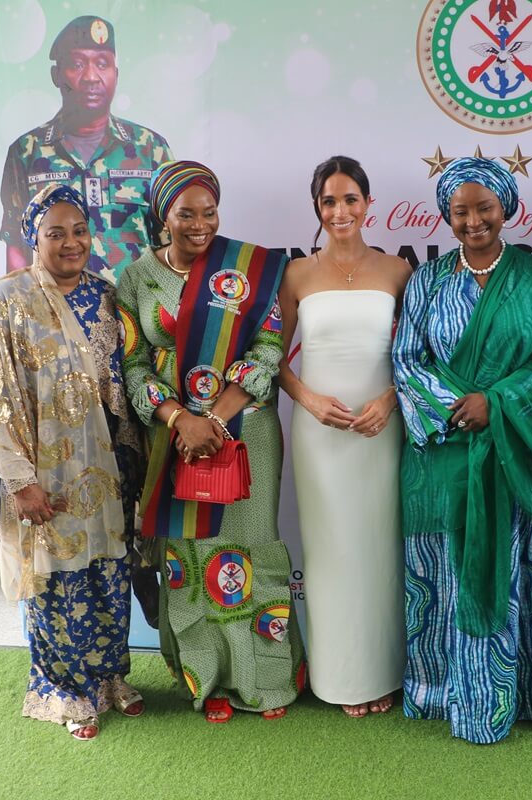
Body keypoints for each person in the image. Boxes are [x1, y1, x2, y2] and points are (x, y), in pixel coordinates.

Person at [392, 157, 532, 744]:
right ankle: (444, 694)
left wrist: (495, 402)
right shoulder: (429, 280)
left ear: (506, 209)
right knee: (445, 584)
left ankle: (524, 696)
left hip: (515, 458)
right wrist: (458, 408)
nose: (473, 221)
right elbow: (406, 359)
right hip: (444, 459)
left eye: (485, 209)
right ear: (447, 217)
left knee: (525, 577)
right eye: (460, 211)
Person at [116, 160, 302, 723]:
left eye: (209, 211)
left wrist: (214, 420)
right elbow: (132, 364)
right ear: (162, 216)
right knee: (190, 558)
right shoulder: (137, 277)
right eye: (185, 213)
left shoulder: (248, 269)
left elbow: (269, 347)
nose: (200, 224)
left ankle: (264, 677)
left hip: (245, 432)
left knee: (251, 549)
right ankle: (209, 679)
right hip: (174, 441)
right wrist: (179, 420)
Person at [0, 184, 145, 740]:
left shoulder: (105, 292)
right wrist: (19, 483)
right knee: (59, 585)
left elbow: (122, 381)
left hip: (107, 472)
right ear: (32, 238)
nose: (71, 243)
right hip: (46, 477)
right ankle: (64, 691)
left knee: (109, 575)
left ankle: (109, 679)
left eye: (80, 231)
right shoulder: (6, 303)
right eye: (56, 233)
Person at [278, 156, 412, 718]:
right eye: (329, 201)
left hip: (383, 433)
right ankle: (338, 678)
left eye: (350, 199)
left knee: (381, 550)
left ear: (368, 203)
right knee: (331, 554)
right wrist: (306, 397)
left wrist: (391, 400)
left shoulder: (399, 272)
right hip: (320, 439)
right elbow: (271, 361)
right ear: (317, 208)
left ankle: (384, 674)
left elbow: (417, 356)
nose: (341, 211)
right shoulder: (296, 276)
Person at [0, 15, 172, 282]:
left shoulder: (151, 149)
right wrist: (21, 310)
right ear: (56, 75)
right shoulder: (26, 151)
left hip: (135, 313)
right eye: (77, 64)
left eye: (102, 64)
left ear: (116, 74)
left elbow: (171, 243)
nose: (91, 77)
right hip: (58, 315)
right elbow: (16, 244)